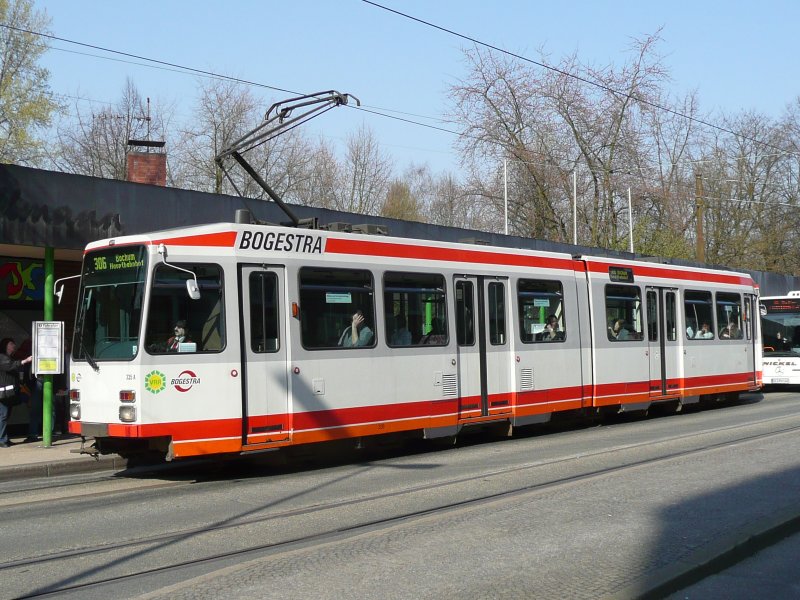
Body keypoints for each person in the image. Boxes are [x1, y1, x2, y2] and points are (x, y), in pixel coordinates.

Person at [0, 338, 32, 448]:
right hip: (3, 394)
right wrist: (25, 360)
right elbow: (10, 366)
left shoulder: (9, 358)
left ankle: (5, 439)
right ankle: (2, 440)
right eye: (11, 344)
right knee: (3, 416)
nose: (14, 345)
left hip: (8, 393)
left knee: (5, 415)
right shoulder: (2, 357)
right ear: (6, 345)